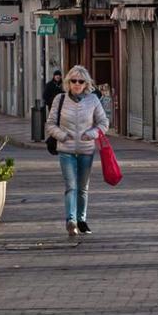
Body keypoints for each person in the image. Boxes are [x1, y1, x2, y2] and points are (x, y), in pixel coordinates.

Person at [45, 64, 109, 237]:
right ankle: (71, 220)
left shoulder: (93, 100)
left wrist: (92, 133)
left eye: (81, 81)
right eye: (73, 80)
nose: (77, 84)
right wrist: (62, 136)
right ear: (68, 82)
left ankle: (81, 220)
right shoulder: (60, 100)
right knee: (71, 186)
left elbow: (104, 123)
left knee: (82, 188)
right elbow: (50, 124)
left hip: (86, 150)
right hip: (66, 150)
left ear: (86, 83)